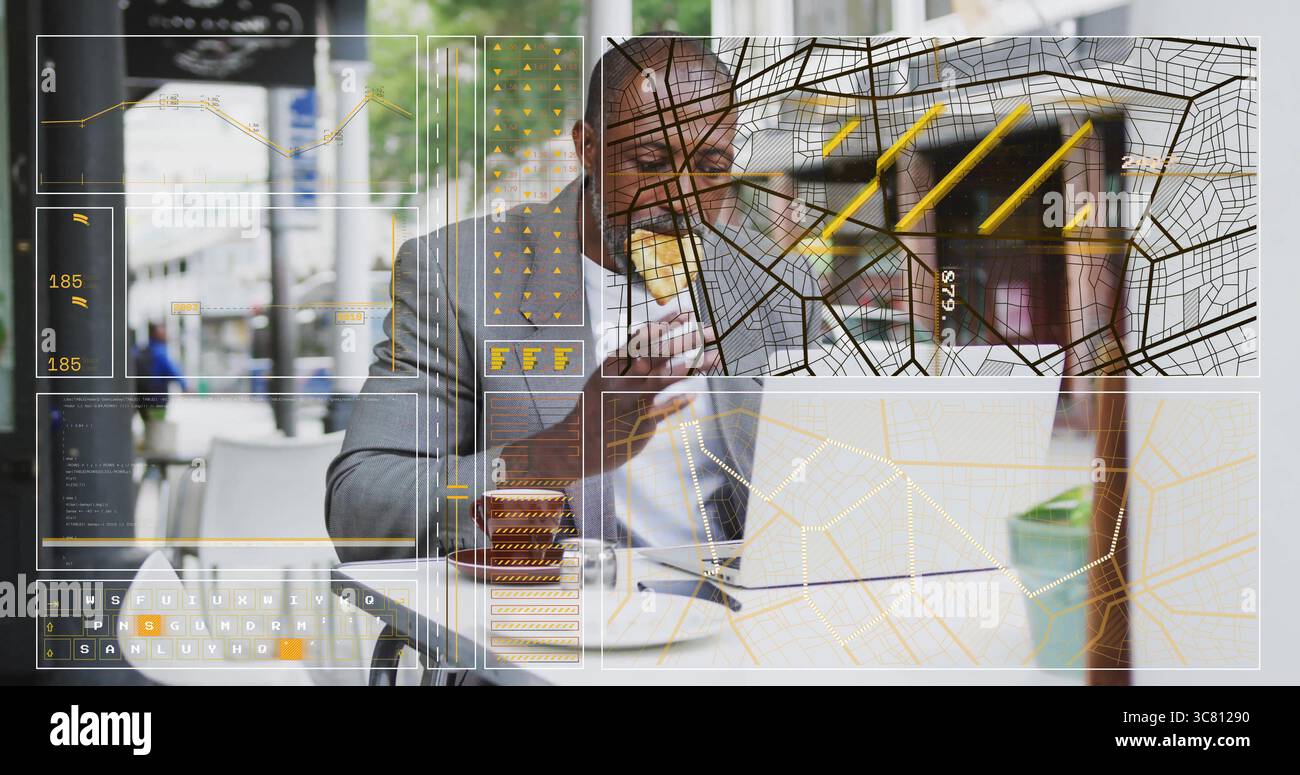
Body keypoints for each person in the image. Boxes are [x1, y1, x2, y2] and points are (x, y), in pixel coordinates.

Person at [326, 35, 814, 561]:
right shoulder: (455, 275)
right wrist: (556, 452)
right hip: (559, 621)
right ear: (587, 148)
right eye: (651, 161)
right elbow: (361, 505)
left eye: (712, 166)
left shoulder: (778, 282)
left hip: (745, 610)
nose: (683, 195)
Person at [134, 322, 187, 421]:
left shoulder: (139, 349)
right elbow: (172, 370)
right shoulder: (160, 352)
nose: (166, 333)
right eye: (163, 330)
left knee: (148, 425)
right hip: (157, 398)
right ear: (156, 333)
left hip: (140, 397)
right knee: (157, 428)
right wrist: (184, 385)